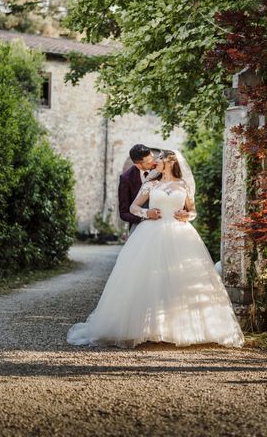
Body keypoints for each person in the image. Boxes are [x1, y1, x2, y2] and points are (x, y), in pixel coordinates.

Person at [67, 150, 245, 348]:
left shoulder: (184, 185)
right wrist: (147, 213)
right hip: (151, 232)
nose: (155, 162)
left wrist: (187, 216)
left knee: (179, 280)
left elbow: (192, 211)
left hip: (180, 234)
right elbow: (133, 208)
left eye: (159, 158)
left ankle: (176, 328)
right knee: (147, 280)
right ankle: (145, 329)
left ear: (170, 162)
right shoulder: (151, 185)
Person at [117, 144, 161, 234]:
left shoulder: (161, 170)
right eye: (148, 162)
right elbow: (123, 213)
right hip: (139, 230)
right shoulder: (126, 178)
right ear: (138, 165)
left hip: (162, 226)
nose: (153, 162)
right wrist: (146, 215)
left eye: (152, 158)